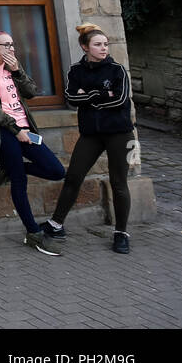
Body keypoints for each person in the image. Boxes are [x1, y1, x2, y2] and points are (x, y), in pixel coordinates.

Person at [40, 24, 135, 253]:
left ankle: (121, 233)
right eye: (98, 44)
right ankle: (56, 224)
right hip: (91, 134)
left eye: (105, 44)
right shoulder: (76, 71)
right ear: (85, 47)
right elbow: (72, 98)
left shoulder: (117, 70)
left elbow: (120, 100)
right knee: (73, 177)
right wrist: (102, 94)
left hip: (119, 134)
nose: (104, 48)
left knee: (118, 183)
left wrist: (88, 96)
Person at [0, 30, 66, 255]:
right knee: (20, 180)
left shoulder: (13, 67)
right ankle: (33, 234)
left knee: (56, 171)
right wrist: (16, 130)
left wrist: (17, 71)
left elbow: (31, 92)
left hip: (26, 128)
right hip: (3, 130)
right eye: (6, 45)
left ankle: (11, 168)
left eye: (13, 44)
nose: (12, 49)